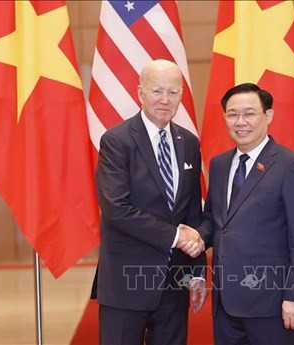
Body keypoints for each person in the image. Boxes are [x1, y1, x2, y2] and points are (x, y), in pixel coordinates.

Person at [91, 59, 206, 345]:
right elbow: (116, 209)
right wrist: (177, 237)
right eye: (157, 91)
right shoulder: (117, 141)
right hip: (126, 282)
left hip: (174, 284)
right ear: (140, 93)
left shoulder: (189, 142)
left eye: (173, 92)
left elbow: (192, 210)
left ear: (181, 95)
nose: (165, 100)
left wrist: (197, 271)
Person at [193, 83, 294, 344]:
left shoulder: (290, 165)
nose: (240, 122)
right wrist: (193, 237)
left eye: (249, 113)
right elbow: (214, 222)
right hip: (226, 303)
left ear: (268, 116)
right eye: (232, 114)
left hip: (272, 304)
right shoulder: (219, 164)